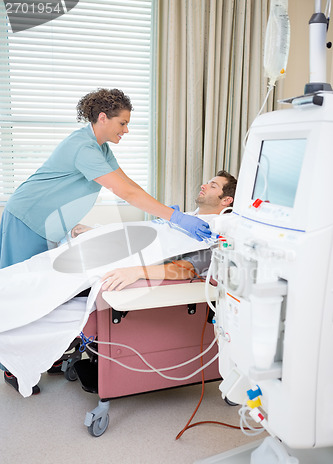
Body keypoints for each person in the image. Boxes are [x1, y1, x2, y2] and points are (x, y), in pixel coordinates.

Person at [0, 88, 211, 392]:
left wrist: (167, 214)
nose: (127, 129)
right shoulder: (83, 147)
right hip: (27, 218)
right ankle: (11, 367)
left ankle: (45, 355)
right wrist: (173, 217)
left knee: (44, 292)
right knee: (22, 292)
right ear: (102, 118)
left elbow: (129, 183)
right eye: (122, 123)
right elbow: (125, 193)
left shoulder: (100, 148)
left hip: (48, 222)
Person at [73, 170, 237, 292]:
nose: (204, 185)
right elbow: (142, 231)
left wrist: (137, 272)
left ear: (226, 200)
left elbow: (186, 268)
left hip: (123, 259)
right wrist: (97, 231)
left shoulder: (214, 232)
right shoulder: (185, 217)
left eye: (212, 185)